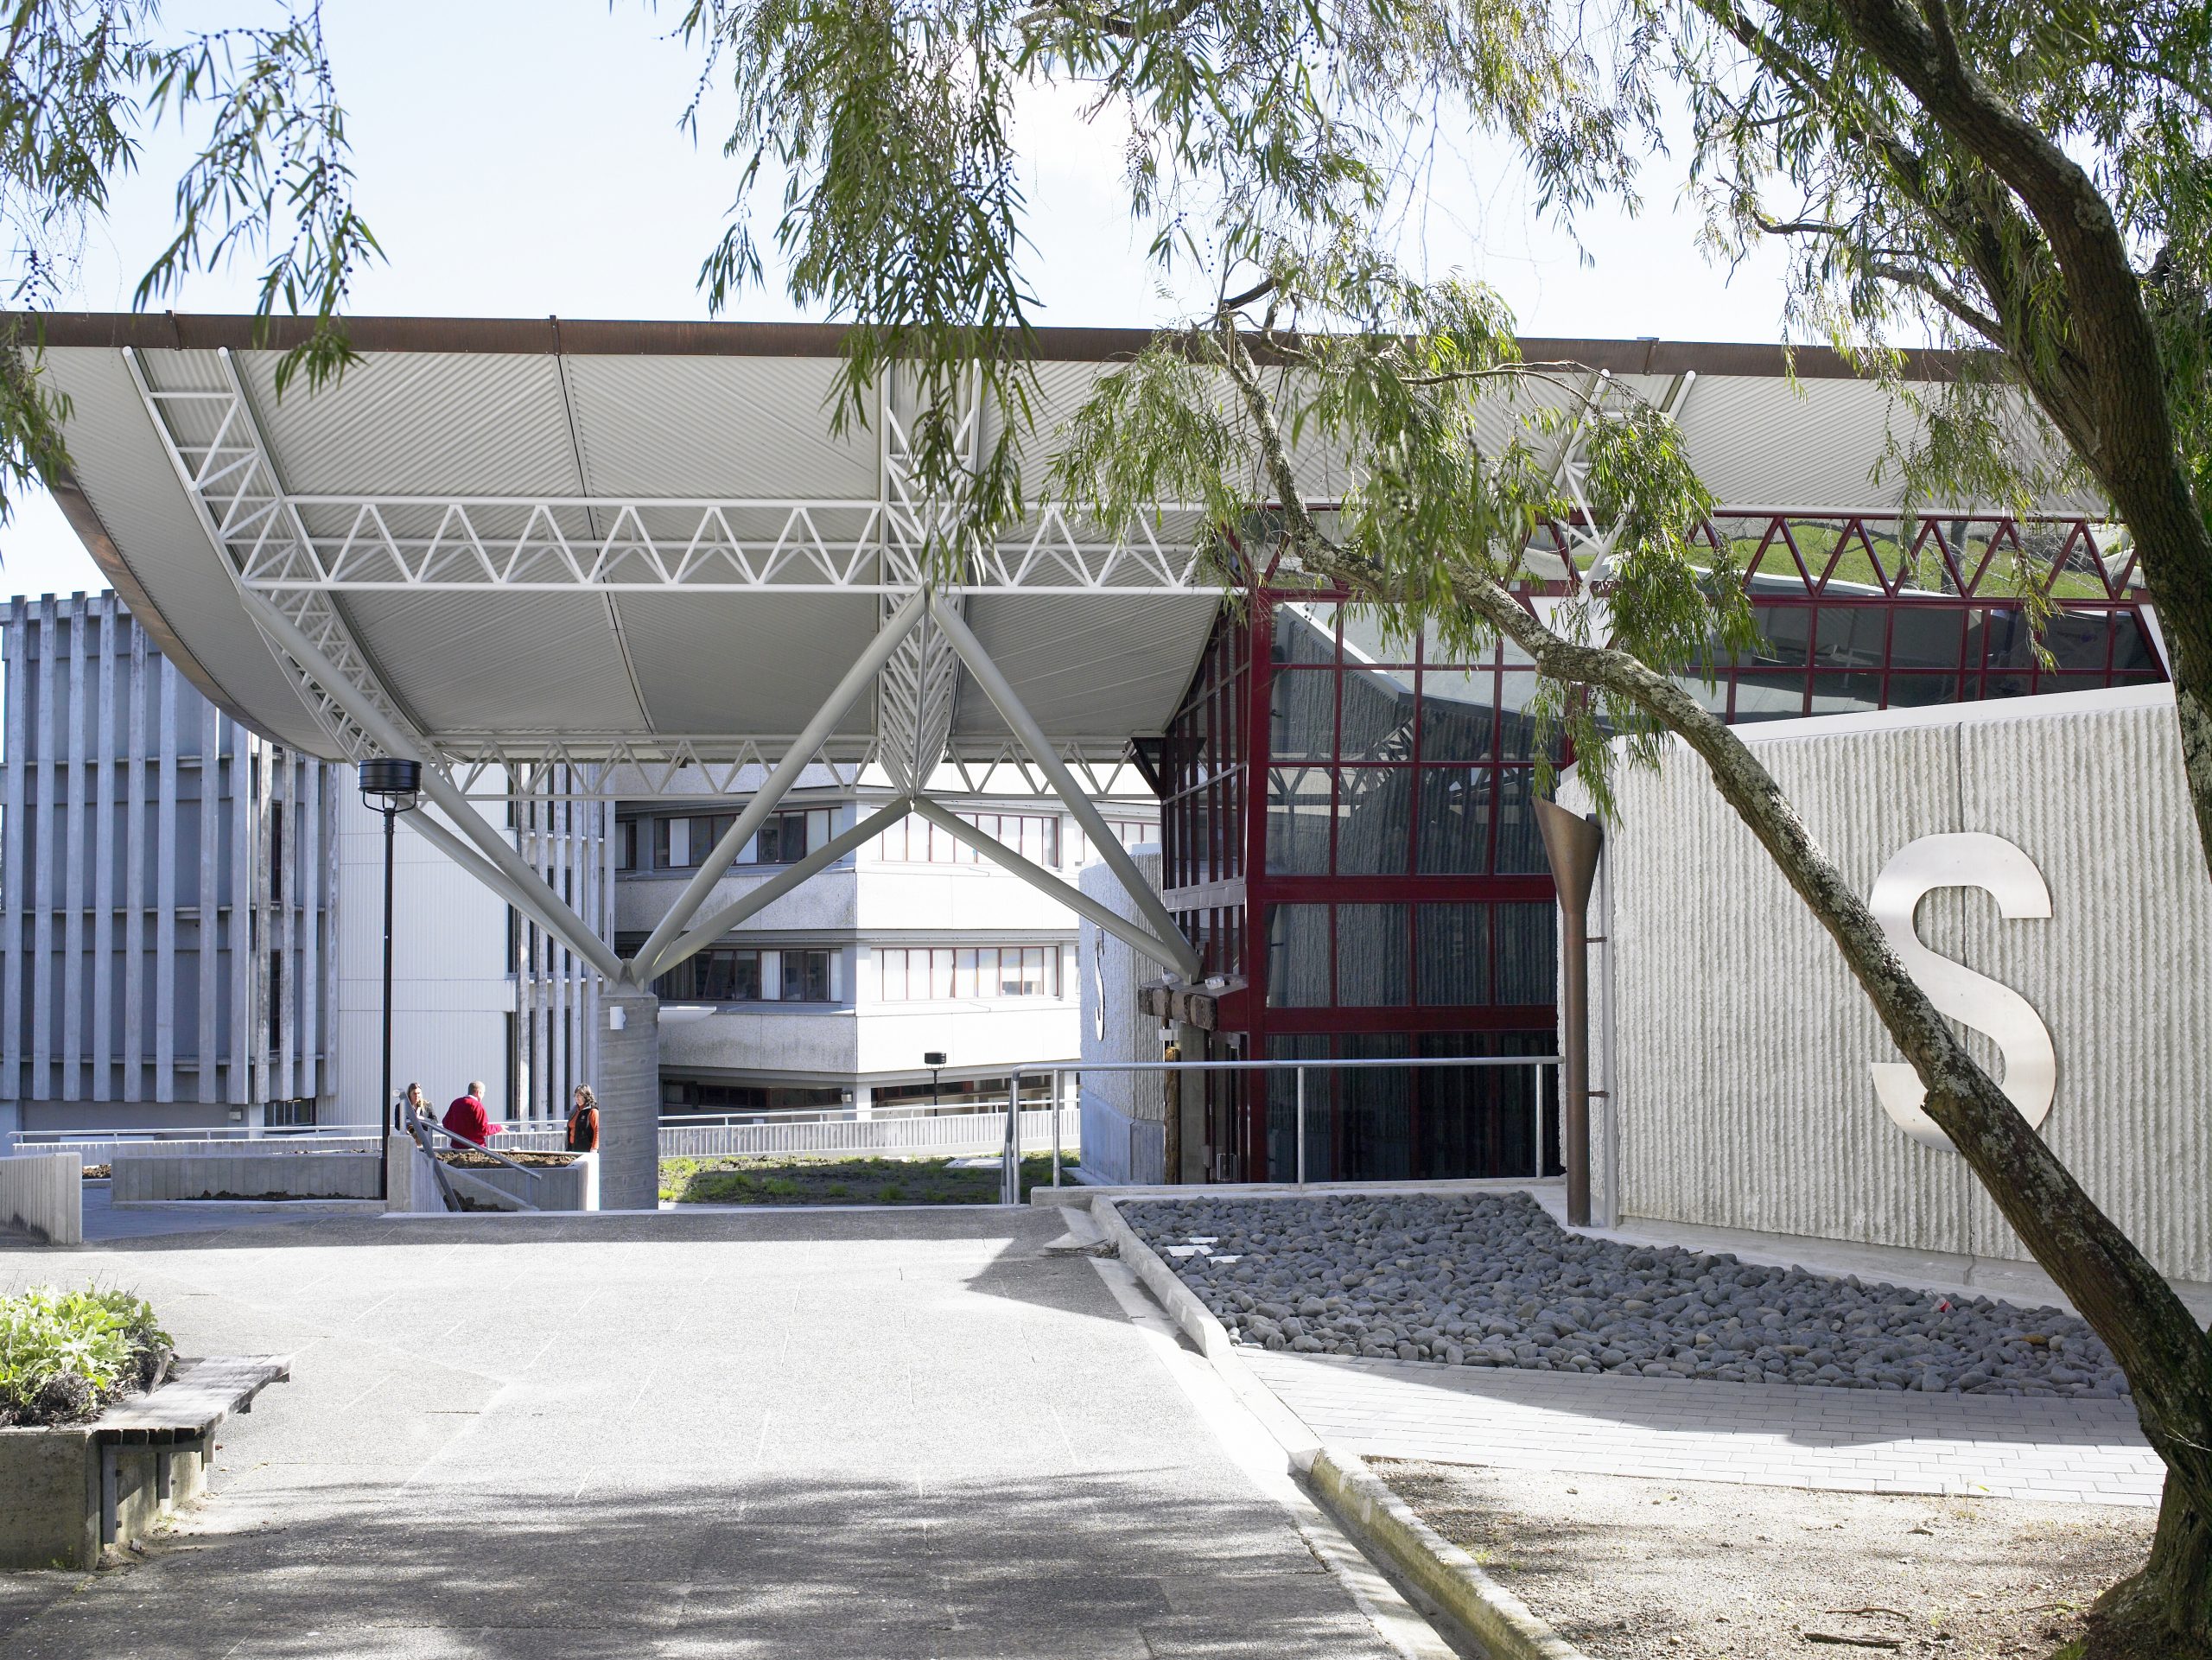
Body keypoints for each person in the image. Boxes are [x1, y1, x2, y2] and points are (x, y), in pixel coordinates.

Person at [442, 1081, 499, 1148]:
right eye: (483, 1093)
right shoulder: (477, 1105)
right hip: (476, 1147)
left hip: (456, 1146)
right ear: (479, 1092)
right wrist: (499, 1128)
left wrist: (457, 1132)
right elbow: (483, 1129)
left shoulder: (456, 1103)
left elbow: (446, 1123)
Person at [565, 1085, 601, 1152]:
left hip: (586, 1149)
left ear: (586, 1096)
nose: (576, 1097)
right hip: (572, 1148)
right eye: (576, 1095)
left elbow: (597, 1130)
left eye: (579, 1095)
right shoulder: (574, 1110)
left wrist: (594, 1148)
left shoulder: (592, 1111)